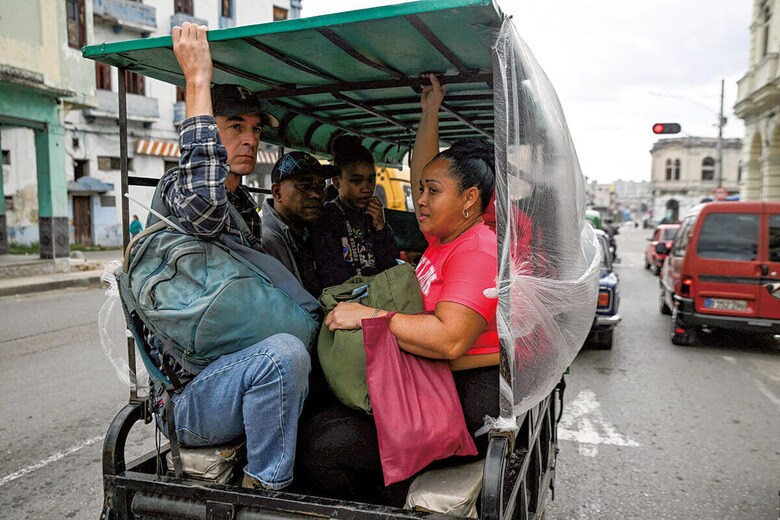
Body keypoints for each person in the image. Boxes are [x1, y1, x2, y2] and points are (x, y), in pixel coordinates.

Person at [296, 74, 499, 504]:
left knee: (321, 449)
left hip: (458, 400)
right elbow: (427, 166)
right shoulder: (445, 240)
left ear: (469, 199)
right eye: (418, 189)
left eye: (431, 192)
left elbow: (449, 338)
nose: (419, 199)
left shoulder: (477, 248)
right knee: (314, 419)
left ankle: (375, 506)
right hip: (425, 380)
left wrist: (370, 317)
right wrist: (430, 112)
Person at [160, 22, 312, 491]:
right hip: (193, 396)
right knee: (283, 355)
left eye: (253, 130)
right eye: (234, 127)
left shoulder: (242, 205)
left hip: (235, 369)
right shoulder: (181, 192)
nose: (249, 139)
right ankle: (263, 493)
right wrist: (197, 82)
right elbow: (205, 207)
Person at [313, 135, 400, 288]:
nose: (366, 189)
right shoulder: (327, 217)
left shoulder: (373, 216)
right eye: (356, 181)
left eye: (371, 180)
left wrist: (380, 227)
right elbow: (332, 276)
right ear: (337, 181)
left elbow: (392, 267)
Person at [262, 152, 339, 299]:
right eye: (304, 186)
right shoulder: (265, 242)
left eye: (320, 186)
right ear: (277, 192)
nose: (316, 194)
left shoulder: (307, 232)